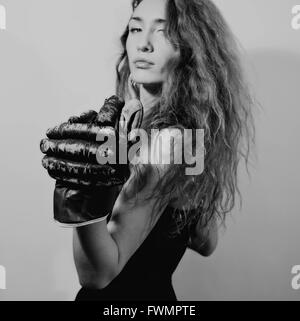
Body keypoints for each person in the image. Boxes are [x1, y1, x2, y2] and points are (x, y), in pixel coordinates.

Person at [73, 0, 256, 301]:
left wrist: (80, 194)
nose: (143, 44)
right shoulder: (189, 137)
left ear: (190, 48)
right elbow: (203, 239)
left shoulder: (168, 141)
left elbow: (97, 274)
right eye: (135, 28)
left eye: (164, 32)